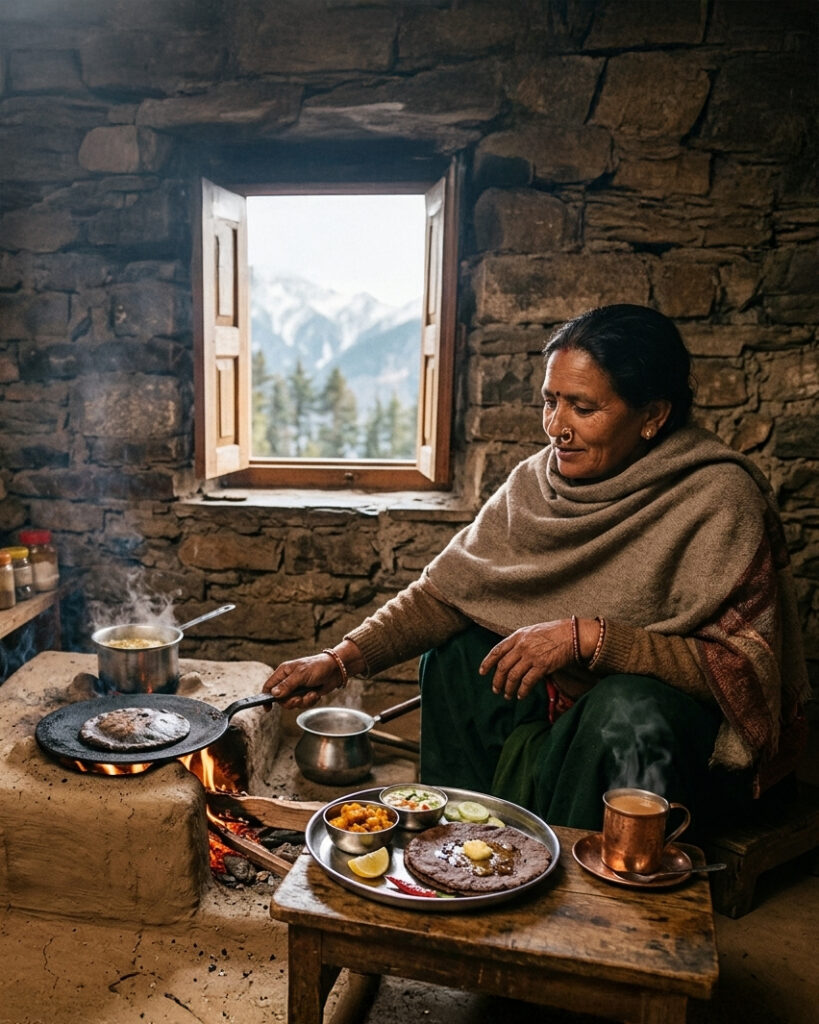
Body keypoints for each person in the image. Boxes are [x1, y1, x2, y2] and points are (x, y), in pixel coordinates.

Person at [264, 304, 809, 834]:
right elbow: (447, 594)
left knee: (626, 707)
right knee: (455, 657)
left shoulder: (717, 498)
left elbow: (741, 671)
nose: (556, 427)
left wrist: (592, 639)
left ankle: (576, 886)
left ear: (653, 417)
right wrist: (339, 661)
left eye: (582, 408)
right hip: (559, 702)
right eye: (550, 401)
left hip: (661, 737)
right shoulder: (535, 483)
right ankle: (459, 844)